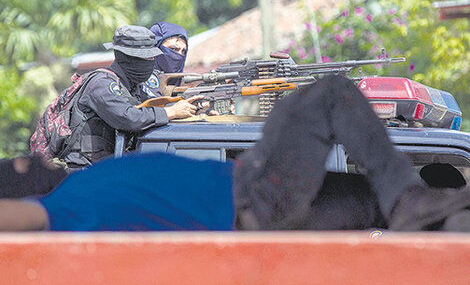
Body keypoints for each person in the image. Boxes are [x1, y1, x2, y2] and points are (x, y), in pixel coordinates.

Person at [3, 74, 470, 232]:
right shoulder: (58, 208)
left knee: (378, 201)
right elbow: (20, 220)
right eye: (25, 166)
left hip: (268, 209)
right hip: (250, 199)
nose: (40, 157)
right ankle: (408, 199)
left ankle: (420, 208)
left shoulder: (83, 186)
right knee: (328, 95)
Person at [63, 25, 202, 171]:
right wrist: (171, 112)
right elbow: (129, 118)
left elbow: (152, 109)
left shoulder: (132, 86)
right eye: (147, 57)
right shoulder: (102, 83)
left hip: (110, 169)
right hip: (86, 171)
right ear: (129, 58)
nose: (151, 62)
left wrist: (197, 109)